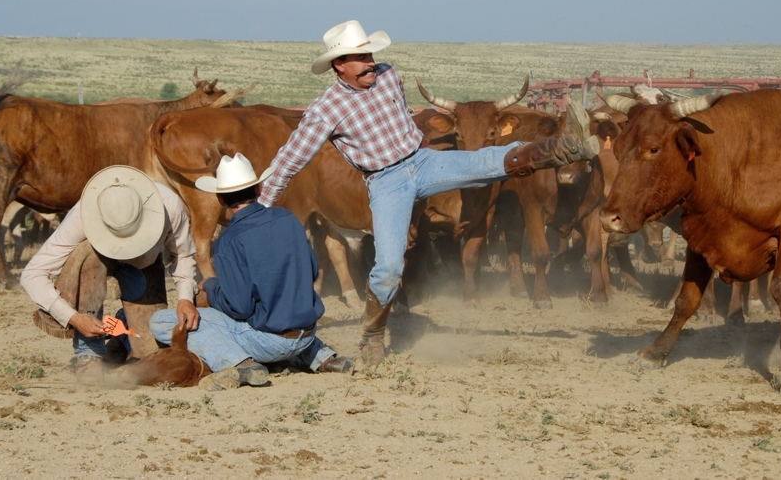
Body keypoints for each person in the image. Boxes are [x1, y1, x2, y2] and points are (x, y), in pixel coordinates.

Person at [257, 20, 601, 366]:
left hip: (422, 161)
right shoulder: (325, 109)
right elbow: (290, 159)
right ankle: (373, 335)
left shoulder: (389, 74)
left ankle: (562, 148)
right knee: (389, 265)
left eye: (370, 54)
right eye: (359, 58)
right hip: (386, 181)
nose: (369, 62)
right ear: (338, 65)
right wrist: (261, 207)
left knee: (485, 161)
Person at [149, 153, 354, 391]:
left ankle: (241, 363)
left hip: (269, 343)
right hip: (307, 332)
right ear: (258, 189)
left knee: (161, 321)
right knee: (278, 305)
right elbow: (309, 272)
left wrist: (211, 287)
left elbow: (240, 307)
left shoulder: (230, 241)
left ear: (220, 199)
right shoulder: (288, 219)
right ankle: (322, 357)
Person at [20, 165, 199, 384]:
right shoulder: (82, 216)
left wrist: (185, 298)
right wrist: (74, 318)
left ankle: (119, 337)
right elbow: (32, 274)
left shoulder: (170, 206)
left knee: (149, 358)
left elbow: (182, 255)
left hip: (144, 266)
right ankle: (89, 355)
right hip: (94, 263)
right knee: (85, 254)